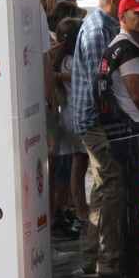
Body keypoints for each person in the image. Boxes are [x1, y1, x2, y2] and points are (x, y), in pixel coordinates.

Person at [71, 0, 134, 277]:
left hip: (99, 119)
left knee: (103, 186)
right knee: (112, 186)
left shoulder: (104, 25)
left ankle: (92, 256)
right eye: (129, 0)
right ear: (115, 0)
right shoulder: (98, 30)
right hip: (97, 120)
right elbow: (102, 85)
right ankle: (108, 260)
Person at [101, 0, 139, 274]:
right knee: (137, 198)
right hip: (134, 132)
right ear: (123, 16)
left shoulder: (121, 46)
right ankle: (133, 259)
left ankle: (130, 258)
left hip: (120, 131)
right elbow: (138, 95)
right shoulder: (126, 49)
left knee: (130, 196)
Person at [52, 17, 89, 236]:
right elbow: (77, 76)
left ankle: (76, 205)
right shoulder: (73, 60)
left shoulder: (62, 59)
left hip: (67, 115)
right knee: (79, 164)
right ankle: (80, 208)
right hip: (77, 115)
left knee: (75, 163)